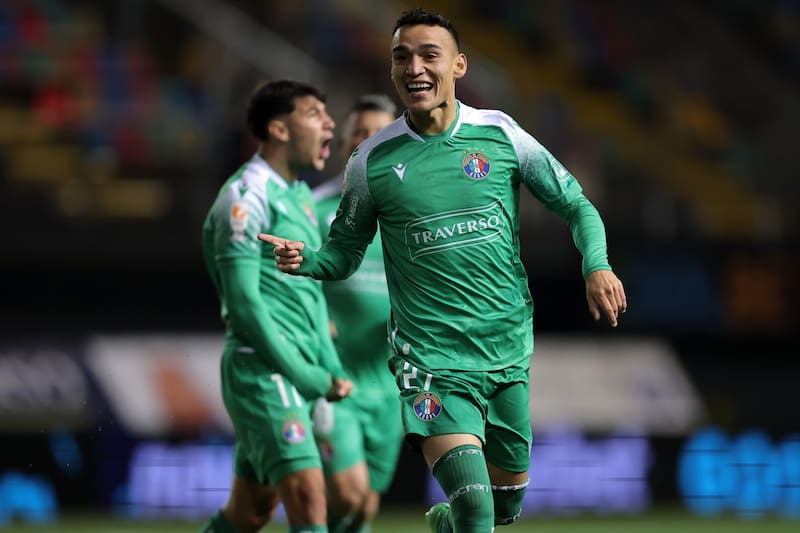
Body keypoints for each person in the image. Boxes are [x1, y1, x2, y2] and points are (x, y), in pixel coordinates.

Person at [260, 8, 628, 533]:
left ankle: (443, 525)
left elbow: (576, 205)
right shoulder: (371, 161)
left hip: (506, 353)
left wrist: (597, 265)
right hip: (428, 359)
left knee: (504, 509)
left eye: (429, 54)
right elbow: (342, 253)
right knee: (477, 508)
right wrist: (308, 260)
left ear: (458, 65)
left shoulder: (500, 135)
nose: (414, 67)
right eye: (401, 56)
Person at [200, 79, 353, 533]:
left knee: (250, 513)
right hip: (264, 371)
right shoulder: (246, 197)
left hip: (296, 370)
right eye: (314, 113)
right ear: (279, 129)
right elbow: (244, 304)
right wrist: (307, 376)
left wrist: (329, 365)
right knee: (309, 500)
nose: (329, 123)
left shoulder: (300, 196)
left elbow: (311, 294)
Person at [311, 94, 401, 533]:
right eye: (358, 135)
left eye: (379, 134)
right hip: (334, 380)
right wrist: (311, 321)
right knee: (347, 493)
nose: (368, 142)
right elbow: (282, 279)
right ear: (345, 144)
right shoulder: (314, 210)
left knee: (363, 505)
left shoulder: (410, 211)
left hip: (392, 383)